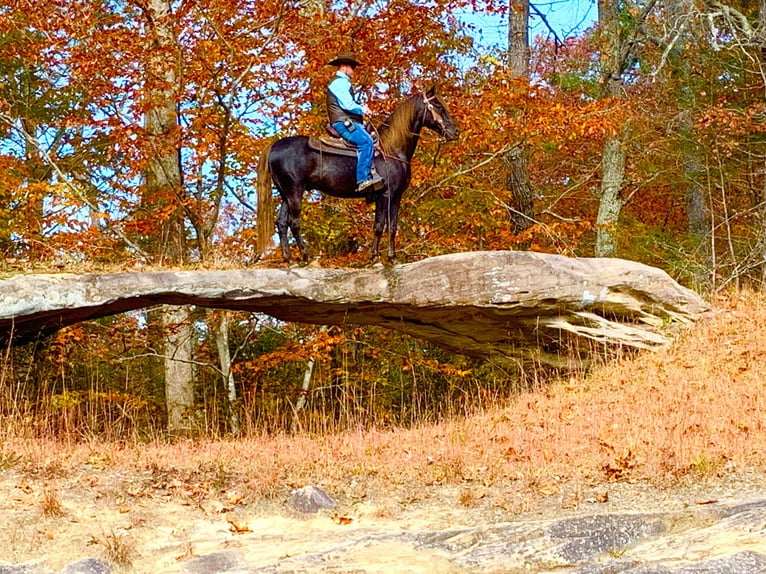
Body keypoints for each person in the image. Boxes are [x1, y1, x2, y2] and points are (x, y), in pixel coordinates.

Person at [326, 52, 383, 193]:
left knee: (373, 139)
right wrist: (364, 109)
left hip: (347, 121)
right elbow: (348, 105)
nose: (353, 71)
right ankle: (363, 180)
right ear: (345, 67)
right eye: (352, 68)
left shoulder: (342, 83)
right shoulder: (340, 82)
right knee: (366, 142)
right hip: (342, 122)